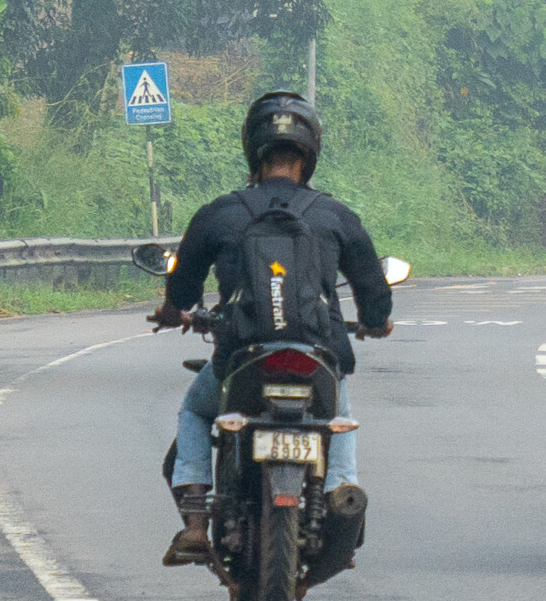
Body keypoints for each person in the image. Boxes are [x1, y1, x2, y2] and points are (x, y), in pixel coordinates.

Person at [151, 91, 393, 566]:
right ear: (311, 153)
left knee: (196, 411)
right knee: (337, 414)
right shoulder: (334, 215)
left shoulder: (220, 212)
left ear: (252, 148)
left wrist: (176, 312)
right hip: (316, 354)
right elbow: (374, 290)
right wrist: (375, 323)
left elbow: (182, 290)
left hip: (243, 354)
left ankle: (197, 523)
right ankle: (341, 492)